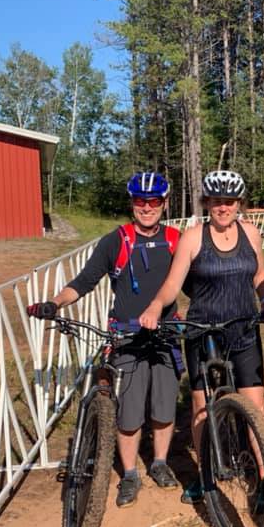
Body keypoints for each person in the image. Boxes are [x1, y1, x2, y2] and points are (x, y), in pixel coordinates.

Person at [26, 171, 182, 509]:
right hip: (126, 335)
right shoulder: (117, 241)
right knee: (129, 411)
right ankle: (129, 474)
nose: (146, 207)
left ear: (164, 204)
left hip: (167, 334)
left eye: (153, 201)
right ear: (132, 203)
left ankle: (159, 462)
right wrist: (54, 302)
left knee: (164, 406)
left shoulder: (175, 239)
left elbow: (197, 281)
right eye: (140, 201)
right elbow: (84, 281)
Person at [139, 170, 264, 504]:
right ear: (207, 203)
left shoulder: (251, 233)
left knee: (255, 406)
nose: (223, 208)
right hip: (202, 330)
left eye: (229, 202)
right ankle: (206, 476)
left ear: (239, 203)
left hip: (243, 328)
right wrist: (155, 306)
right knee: (200, 405)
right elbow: (173, 283)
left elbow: (260, 273)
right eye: (216, 202)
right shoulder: (193, 237)